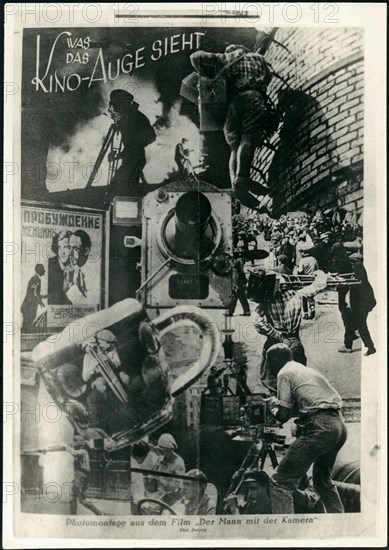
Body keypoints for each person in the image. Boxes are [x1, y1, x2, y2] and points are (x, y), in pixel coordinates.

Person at [190, 34, 276, 211]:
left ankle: (235, 184)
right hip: (253, 97)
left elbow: (195, 57)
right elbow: (268, 78)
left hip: (233, 105)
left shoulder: (227, 58)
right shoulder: (259, 58)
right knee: (249, 137)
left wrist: (207, 75)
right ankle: (242, 177)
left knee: (234, 147)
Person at [265, 344, 347, 514]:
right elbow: (310, 405)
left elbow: (283, 415)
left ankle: (285, 533)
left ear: (274, 359)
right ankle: (340, 523)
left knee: (280, 481)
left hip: (320, 428)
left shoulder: (285, 373)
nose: (268, 367)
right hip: (338, 425)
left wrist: (273, 406)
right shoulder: (304, 370)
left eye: (268, 362)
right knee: (322, 481)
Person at [252, 269, 327, 381]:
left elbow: (256, 320)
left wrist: (278, 335)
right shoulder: (298, 295)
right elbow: (319, 285)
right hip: (293, 341)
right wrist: (320, 273)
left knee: (272, 377)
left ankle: (276, 396)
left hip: (274, 342)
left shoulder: (267, 301)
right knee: (298, 377)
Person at [108, 89, 156, 196]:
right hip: (132, 159)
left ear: (122, 106)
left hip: (134, 160)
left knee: (119, 188)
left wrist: (120, 155)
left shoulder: (135, 119)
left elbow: (148, 138)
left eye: (114, 106)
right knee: (123, 187)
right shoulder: (128, 117)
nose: (110, 109)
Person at [338, 253, 376, 356]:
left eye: (352, 262)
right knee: (353, 325)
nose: (351, 264)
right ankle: (349, 346)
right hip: (363, 304)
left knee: (360, 326)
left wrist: (343, 285)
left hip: (361, 306)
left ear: (356, 261)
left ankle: (369, 347)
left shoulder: (359, 271)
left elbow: (357, 289)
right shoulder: (360, 270)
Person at [153, 434, 186, 506]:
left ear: (169, 450)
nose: (161, 452)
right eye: (160, 450)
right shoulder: (160, 459)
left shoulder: (178, 463)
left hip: (171, 497)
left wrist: (161, 480)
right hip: (157, 494)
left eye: (163, 451)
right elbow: (154, 474)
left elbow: (177, 484)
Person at [65, 230, 91, 304]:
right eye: (70, 248)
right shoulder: (73, 272)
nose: (70, 253)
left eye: (75, 249)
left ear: (86, 251)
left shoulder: (93, 277)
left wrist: (72, 287)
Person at [48, 230, 72, 305]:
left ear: (71, 249)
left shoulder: (73, 266)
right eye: (59, 247)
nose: (62, 252)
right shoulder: (49, 266)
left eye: (65, 247)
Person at [21, 263, 46, 330]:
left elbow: (34, 292)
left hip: (29, 305)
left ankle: (28, 330)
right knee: (28, 321)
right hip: (29, 305)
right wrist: (40, 300)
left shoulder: (36, 278)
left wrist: (43, 297)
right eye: (43, 269)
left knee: (28, 322)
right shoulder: (35, 279)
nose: (44, 270)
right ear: (39, 270)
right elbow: (32, 292)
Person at [297, 244, 319, 320]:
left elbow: (300, 271)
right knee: (311, 294)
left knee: (304, 296)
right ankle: (312, 307)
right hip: (312, 279)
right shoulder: (313, 259)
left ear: (303, 253)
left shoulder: (302, 260)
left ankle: (305, 313)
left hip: (304, 279)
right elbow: (317, 269)